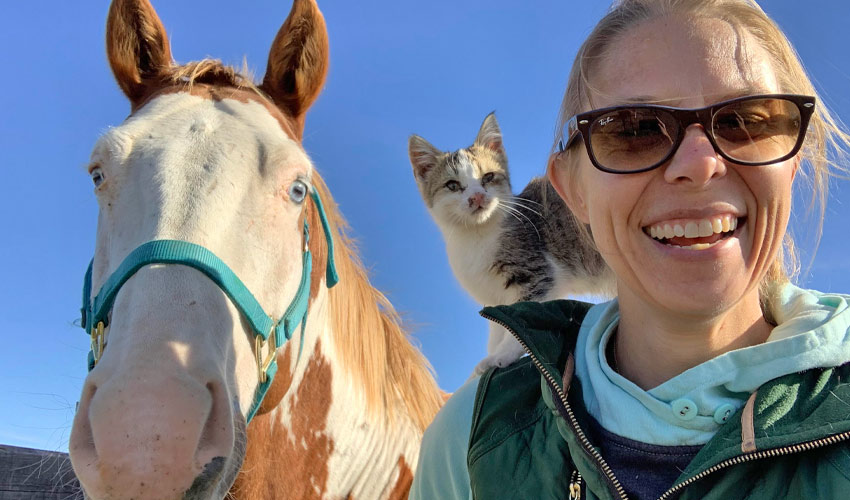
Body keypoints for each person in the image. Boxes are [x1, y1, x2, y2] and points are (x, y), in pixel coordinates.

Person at [409, 0, 850, 498]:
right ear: (570, 190)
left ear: (791, 163)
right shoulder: (470, 439)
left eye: (745, 121)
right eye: (635, 128)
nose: (699, 164)